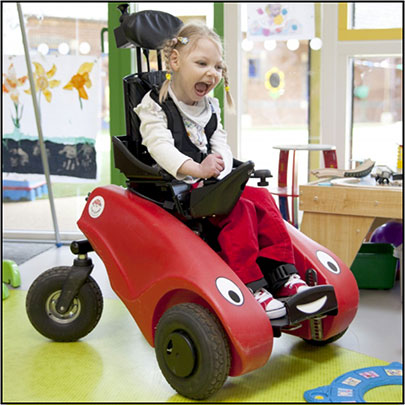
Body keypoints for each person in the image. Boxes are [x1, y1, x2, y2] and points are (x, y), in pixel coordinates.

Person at [135, 21, 313, 319]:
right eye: (202, 63)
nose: (211, 73)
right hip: (178, 191)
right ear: (175, 62)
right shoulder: (155, 106)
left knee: (262, 200)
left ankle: (283, 276)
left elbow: (222, 146)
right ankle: (252, 285)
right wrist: (197, 169)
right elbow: (160, 148)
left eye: (217, 67)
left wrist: (220, 169)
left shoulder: (210, 106)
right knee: (240, 210)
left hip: (208, 185)